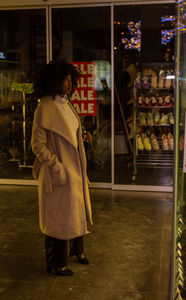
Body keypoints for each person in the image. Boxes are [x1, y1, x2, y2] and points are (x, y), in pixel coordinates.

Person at [31, 59, 93, 276]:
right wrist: (56, 166)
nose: (70, 83)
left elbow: (72, 134)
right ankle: (56, 263)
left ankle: (77, 251)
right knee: (57, 219)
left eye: (71, 79)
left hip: (73, 170)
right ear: (55, 81)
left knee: (75, 211)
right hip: (58, 174)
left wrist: (83, 138)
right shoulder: (44, 108)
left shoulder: (67, 104)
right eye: (66, 79)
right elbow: (37, 145)